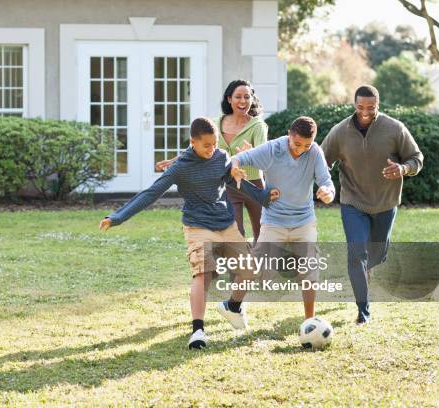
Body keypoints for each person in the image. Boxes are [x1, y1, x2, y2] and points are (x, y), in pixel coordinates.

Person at [99, 117, 279, 350]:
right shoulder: (180, 168)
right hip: (197, 226)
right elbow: (151, 193)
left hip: (225, 223)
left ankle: (232, 306)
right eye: (207, 145)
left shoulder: (220, 158)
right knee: (202, 273)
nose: (212, 149)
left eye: (215, 144)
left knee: (249, 271)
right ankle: (198, 331)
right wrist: (118, 217)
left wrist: (263, 197)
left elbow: (237, 184)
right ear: (192, 142)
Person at [217, 116, 335, 329]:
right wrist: (234, 168)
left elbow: (326, 182)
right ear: (289, 135)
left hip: (304, 221)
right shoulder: (273, 149)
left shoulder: (314, 151)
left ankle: (309, 322)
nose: (301, 149)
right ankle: (232, 305)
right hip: (274, 221)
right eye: (297, 144)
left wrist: (327, 192)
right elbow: (238, 159)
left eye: (307, 145)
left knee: (309, 269)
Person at [321, 85, 423, 324]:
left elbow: (416, 158)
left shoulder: (395, 128)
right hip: (353, 202)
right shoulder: (340, 131)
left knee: (375, 255)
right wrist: (322, 180)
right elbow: (322, 159)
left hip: (385, 203)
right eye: (360, 107)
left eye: (371, 108)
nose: (365, 112)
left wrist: (403, 168)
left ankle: (368, 269)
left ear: (378, 105)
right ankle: (362, 310)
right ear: (354, 105)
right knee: (357, 254)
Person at [157, 80, 268, 243]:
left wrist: (250, 154)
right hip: (229, 185)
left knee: (263, 233)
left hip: (253, 185)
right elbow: (197, 148)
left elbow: (263, 157)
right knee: (235, 233)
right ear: (229, 99)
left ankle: (262, 264)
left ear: (252, 99)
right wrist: (175, 160)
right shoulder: (216, 123)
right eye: (238, 97)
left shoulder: (258, 126)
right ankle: (240, 267)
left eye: (247, 97)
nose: (243, 101)